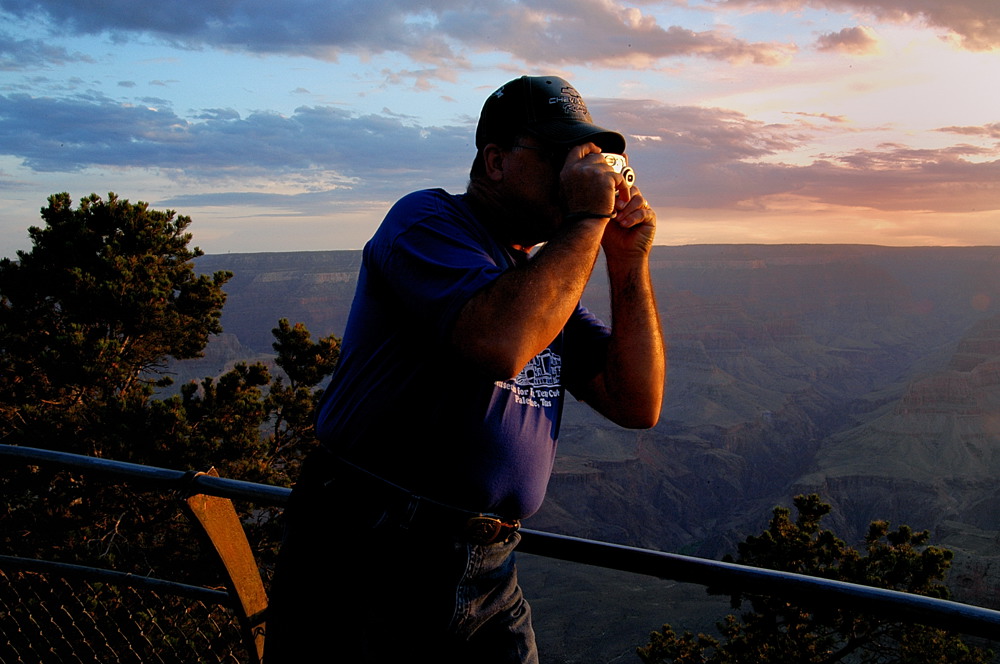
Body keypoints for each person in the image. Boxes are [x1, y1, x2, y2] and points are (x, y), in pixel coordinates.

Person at [263, 75, 665, 663]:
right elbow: (501, 341)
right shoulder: (425, 221)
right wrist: (585, 221)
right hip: (372, 553)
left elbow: (636, 402)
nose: (579, 172)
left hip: (489, 570)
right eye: (561, 156)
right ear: (496, 162)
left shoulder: (538, 281)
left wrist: (629, 259)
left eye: (590, 158)